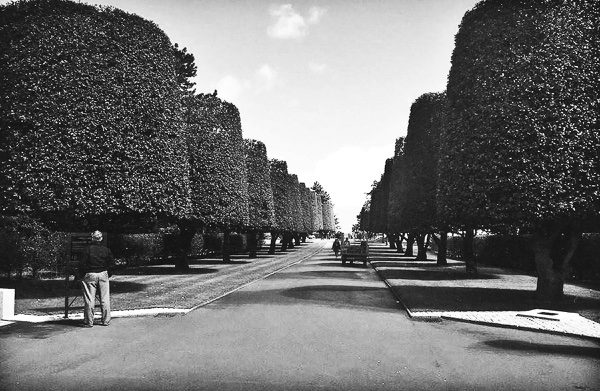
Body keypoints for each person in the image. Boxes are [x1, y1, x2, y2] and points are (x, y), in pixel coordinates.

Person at [79, 230, 114, 327]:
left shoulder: (87, 249)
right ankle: (106, 320)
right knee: (105, 298)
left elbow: (82, 264)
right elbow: (112, 264)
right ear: (101, 238)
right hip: (103, 274)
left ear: (92, 238)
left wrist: (83, 275)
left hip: (90, 274)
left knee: (90, 299)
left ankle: (89, 321)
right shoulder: (106, 250)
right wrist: (108, 274)